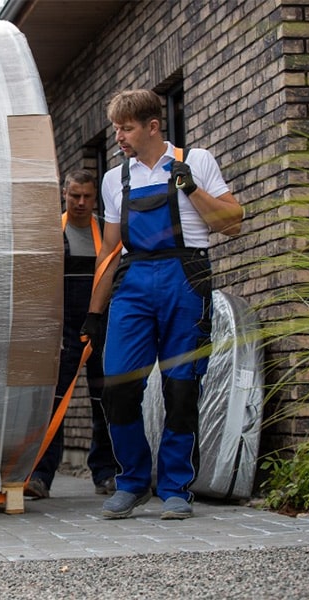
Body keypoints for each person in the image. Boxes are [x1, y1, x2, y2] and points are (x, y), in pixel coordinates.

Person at [81, 89, 242, 520]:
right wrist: (96, 313)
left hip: (186, 279)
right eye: (116, 128)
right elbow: (110, 251)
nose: (120, 136)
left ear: (153, 126)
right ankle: (132, 482)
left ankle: (175, 488)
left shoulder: (198, 161)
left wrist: (189, 186)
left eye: (127, 128)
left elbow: (233, 224)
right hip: (134, 284)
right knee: (118, 387)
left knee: (182, 387)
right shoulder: (116, 179)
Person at [25, 170, 118, 500]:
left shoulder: (108, 234)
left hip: (99, 325)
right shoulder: (51, 234)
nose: (80, 203)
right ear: (64, 194)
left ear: (96, 198)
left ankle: (106, 473)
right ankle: (39, 475)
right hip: (61, 328)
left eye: (87, 197)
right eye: (74, 196)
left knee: (103, 400)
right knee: (53, 402)